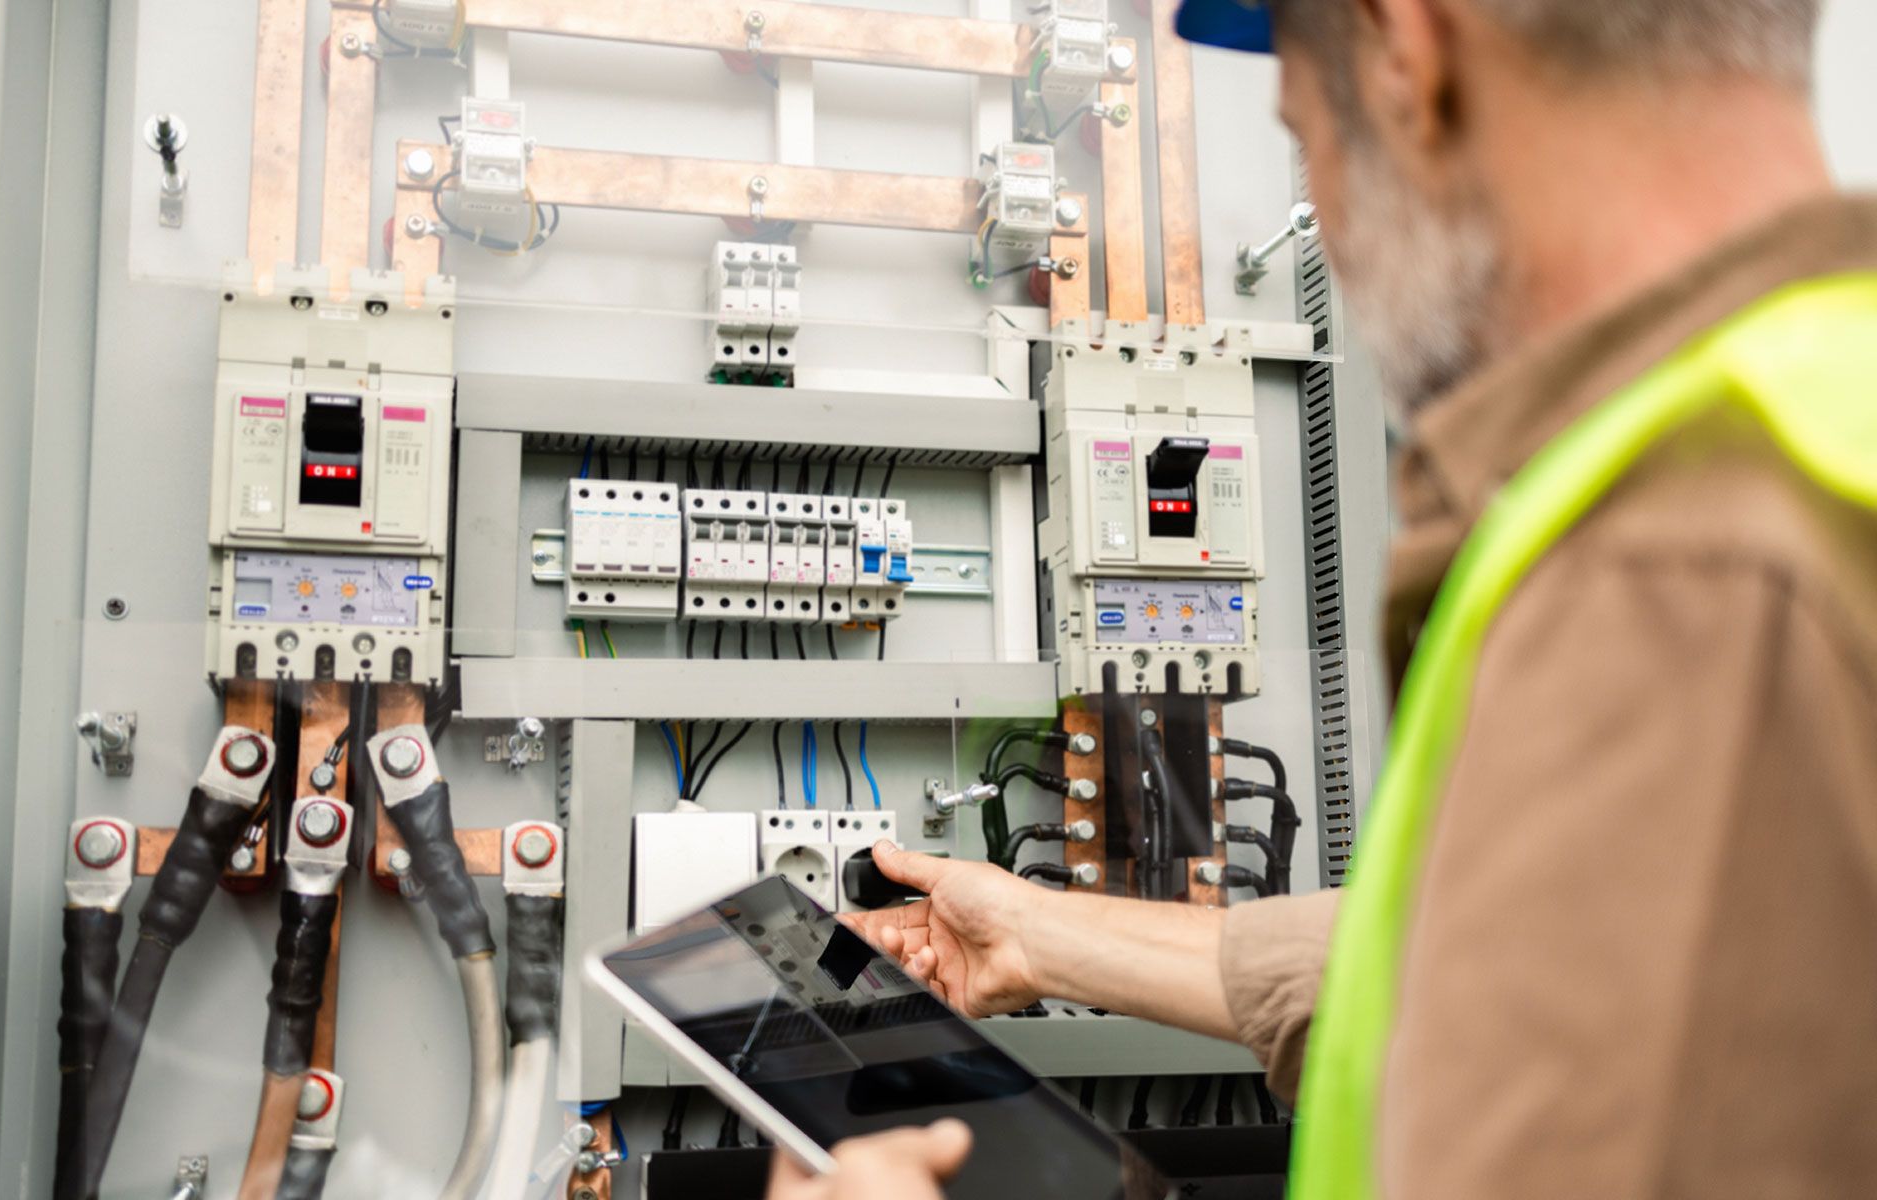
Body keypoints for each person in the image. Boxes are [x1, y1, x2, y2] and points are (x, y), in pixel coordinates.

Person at [771, 0, 1877, 1196]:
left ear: (1406, 47)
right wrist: (1045, 933)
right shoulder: (1820, 408)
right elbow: (1490, 962)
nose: (1334, 236)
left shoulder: (1674, 563)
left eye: (1308, 140)